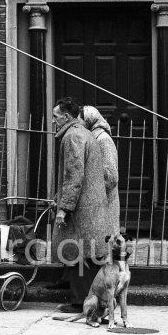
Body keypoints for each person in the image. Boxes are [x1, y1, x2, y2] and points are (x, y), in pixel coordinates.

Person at [51, 97, 116, 313]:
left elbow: (74, 175)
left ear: (67, 117)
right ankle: (99, 301)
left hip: (81, 209)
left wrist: (64, 207)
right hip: (92, 206)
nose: (54, 121)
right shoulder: (86, 133)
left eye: (56, 117)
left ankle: (81, 302)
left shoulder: (72, 137)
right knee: (89, 255)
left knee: (75, 252)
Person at [79, 105, 120, 235]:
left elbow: (111, 177)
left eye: (80, 120)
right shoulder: (91, 138)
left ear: (89, 121)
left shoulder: (103, 140)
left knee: (105, 242)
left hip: (105, 202)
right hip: (96, 203)